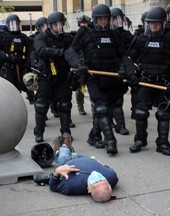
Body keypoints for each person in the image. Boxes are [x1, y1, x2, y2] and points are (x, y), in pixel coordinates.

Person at [65, 4, 127, 154]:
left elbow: (123, 55)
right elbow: (71, 51)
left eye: (106, 19)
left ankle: (93, 136)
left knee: (109, 108)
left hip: (112, 77)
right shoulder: (85, 32)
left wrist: (124, 70)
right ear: (95, 19)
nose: (104, 22)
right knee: (101, 108)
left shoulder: (115, 34)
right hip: (94, 77)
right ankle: (110, 141)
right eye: (101, 20)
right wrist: (79, 64)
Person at [125, 7, 170, 156]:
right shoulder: (141, 39)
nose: (153, 26)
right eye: (151, 23)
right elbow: (129, 58)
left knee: (163, 114)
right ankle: (140, 140)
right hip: (145, 82)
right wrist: (131, 76)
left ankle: (163, 144)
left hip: (163, 83)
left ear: (163, 23)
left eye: (157, 23)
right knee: (140, 112)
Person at [33, 11, 74, 143]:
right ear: (50, 26)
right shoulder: (41, 38)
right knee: (41, 105)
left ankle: (66, 132)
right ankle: (39, 132)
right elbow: (42, 51)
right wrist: (61, 52)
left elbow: (75, 53)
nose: (59, 27)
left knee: (65, 105)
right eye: (55, 25)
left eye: (60, 24)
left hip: (62, 76)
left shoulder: (68, 38)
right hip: (46, 76)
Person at [49, 133, 118, 202]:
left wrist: (57, 172)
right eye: (102, 180)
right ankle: (62, 149)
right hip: (83, 157)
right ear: (109, 183)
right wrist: (99, 164)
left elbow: (53, 186)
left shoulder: (72, 186)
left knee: (63, 153)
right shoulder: (112, 177)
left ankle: (63, 147)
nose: (97, 176)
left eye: (96, 182)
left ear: (89, 189)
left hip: (67, 160)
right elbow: (107, 167)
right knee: (67, 153)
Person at [0, 14, 35, 104]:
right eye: (12, 24)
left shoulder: (23, 37)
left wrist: (28, 65)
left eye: (16, 24)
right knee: (10, 89)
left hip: (23, 66)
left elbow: (29, 51)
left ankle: (33, 101)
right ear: (7, 25)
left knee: (28, 85)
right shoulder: (1, 35)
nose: (15, 27)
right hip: (8, 67)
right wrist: (8, 57)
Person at [110, 7, 134, 135]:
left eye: (119, 18)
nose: (118, 21)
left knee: (118, 99)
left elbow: (132, 51)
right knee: (107, 100)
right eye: (115, 19)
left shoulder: (126, 34)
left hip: (122, 70)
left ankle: (120, 125)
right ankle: (111, 122)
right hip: (108, 70)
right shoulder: (107, 34)